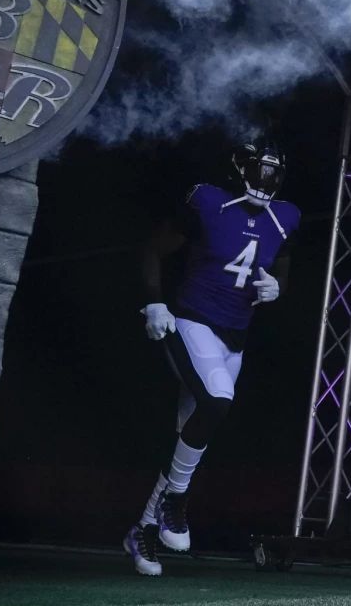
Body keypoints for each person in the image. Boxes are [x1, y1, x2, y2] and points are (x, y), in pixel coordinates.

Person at [126, 143, 299, 577]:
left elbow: (282, 261)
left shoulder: (286, 216)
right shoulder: (209, 202)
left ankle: (144, 528)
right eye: (260, 172)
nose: (265, 183)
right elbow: (152, 249)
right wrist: (153, 302)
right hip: (192, 321)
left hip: (235, 337)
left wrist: (277, 285)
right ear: (242, 168)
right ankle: (176, 500)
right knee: (218, 400)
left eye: (273, 176)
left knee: (191, 437)